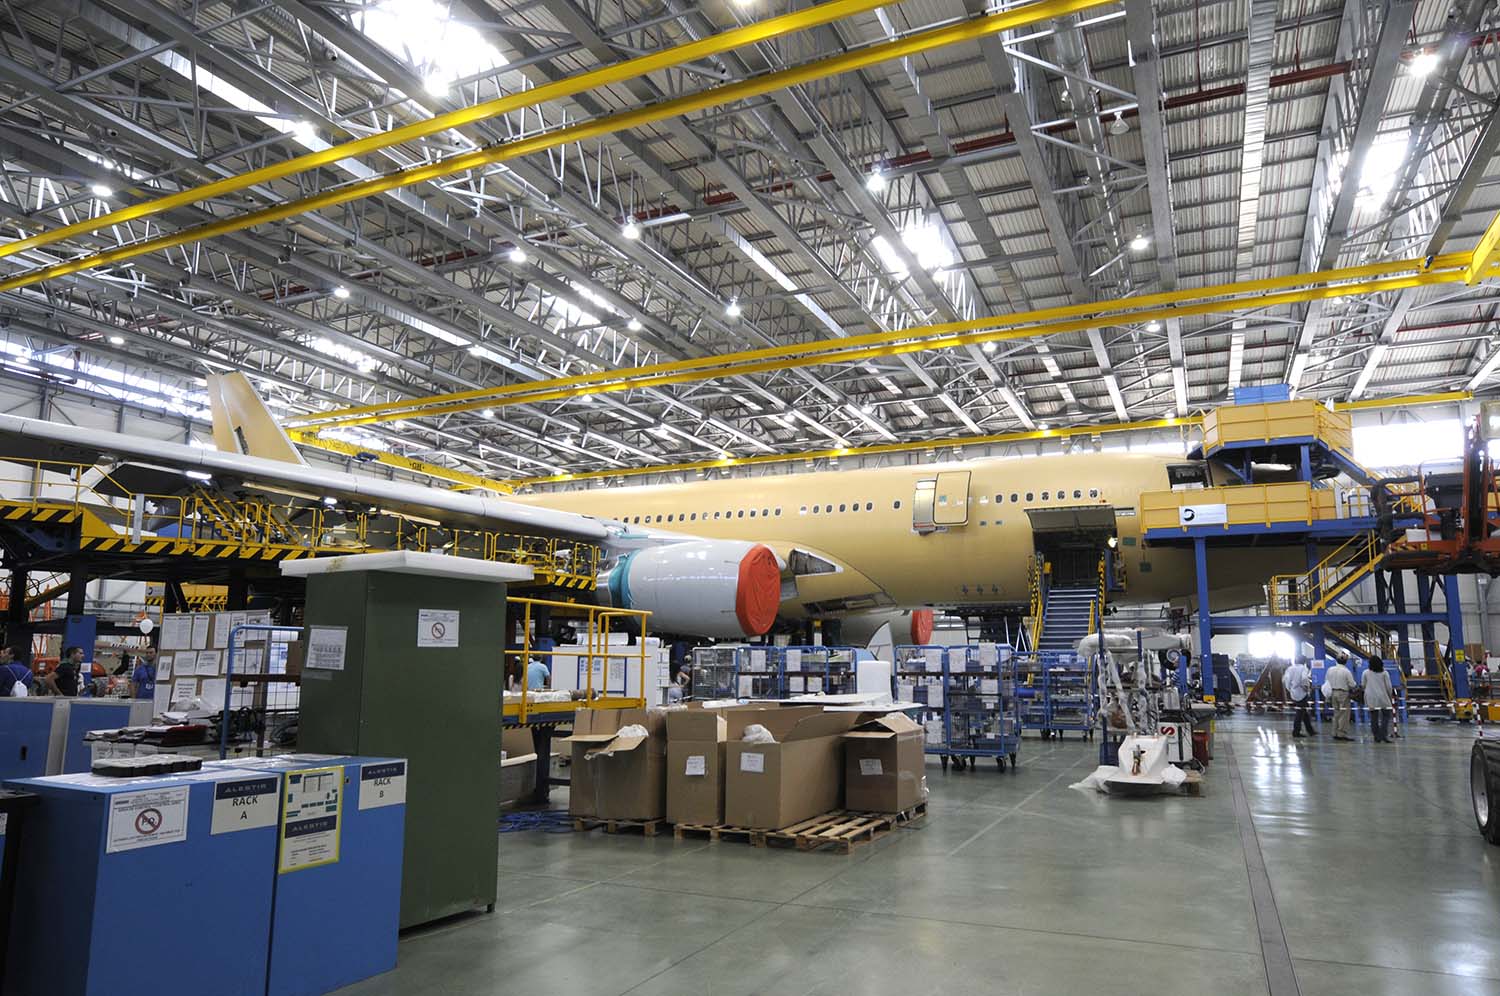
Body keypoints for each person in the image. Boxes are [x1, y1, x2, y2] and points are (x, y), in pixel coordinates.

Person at [1362, 657, 1395, 743]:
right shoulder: (1385, 673)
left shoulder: (1365, 673)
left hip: (1371, 697)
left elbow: (1363, 685)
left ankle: (1376, 736)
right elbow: (1389, 687)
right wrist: (1390, 695)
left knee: (1374, 717)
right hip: (1383, 696)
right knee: (1386, 716)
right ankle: (1383, 735)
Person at [1325, 654, 1358, 741]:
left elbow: (1326, 682)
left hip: (1333, 692)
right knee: (1344, 714)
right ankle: (1341, 734)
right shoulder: (1346, 671)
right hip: (1343, 693)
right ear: (1346, 662)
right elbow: (1352, 684)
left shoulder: (1330, 670)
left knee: (1336, 713)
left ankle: (1334, 732)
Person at [1284, 657, 1314, 738]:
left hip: (1293, 692)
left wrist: (1289, 689)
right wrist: (1306, 688)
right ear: (1304, 662)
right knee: (1300, 713)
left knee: (1304, 712)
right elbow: (1304, 678)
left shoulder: (1290, 669)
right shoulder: (1303, 668)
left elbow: (1286, 680)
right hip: (1302, 693)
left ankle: (1310, 730)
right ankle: (1296, 732)